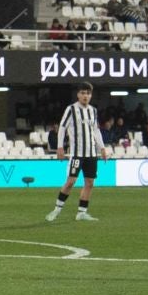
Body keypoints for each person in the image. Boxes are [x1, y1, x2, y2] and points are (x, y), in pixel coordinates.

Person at [47, 83, 109, 222]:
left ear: (91, 95)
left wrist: (102, 148)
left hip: (91, 153)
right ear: (78, 94)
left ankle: (82, 212)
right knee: (71, 181)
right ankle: (57, 210)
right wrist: (60, 147)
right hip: (77, 153)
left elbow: (96, 130)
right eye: (83, 93)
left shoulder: (93, 110)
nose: (85, 96)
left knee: (90, 182)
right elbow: (62, 128)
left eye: (88, 93)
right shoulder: (71, 109)